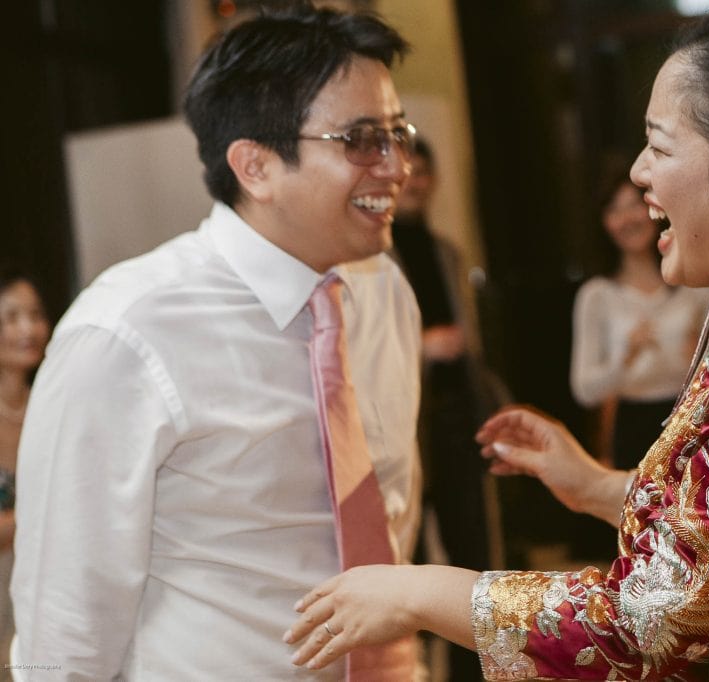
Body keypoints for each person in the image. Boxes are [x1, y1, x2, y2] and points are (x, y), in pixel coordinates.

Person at [283, 1, 709, 679]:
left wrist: (416, 593)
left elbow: (646, 622)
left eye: (660, 146)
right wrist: (591, 485)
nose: (639, 172)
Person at [12, 6, 423, 680]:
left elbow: (394, 511)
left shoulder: (384, 293)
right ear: (255, 166)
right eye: (359, 140)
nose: (395, 166)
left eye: (396, 133)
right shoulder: (127, 332)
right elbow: (68, 622)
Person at [391, 136, 503, 679]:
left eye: (423, 171)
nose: (415, 180)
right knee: (402, 554)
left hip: (458, 416)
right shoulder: (370, 258)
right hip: (403, 425)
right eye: (407, 171)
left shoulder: (447, 251)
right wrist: (422, 347)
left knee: (470, 551)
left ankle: (471, 671)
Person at [570, 168, 709, 470]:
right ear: (603, 223)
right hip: (631, 427)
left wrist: (699, 359)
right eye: (614, 210)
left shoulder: (691, 281)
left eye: (634, 205)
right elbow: (584, 390)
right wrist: (625, 357)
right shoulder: (597, 296)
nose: (628, 218)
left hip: (690, 419)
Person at [0, 270, 50, 680]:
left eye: (35, 315)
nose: (28, 329)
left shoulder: (53, 403)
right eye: (10, 317)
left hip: (46, 578)